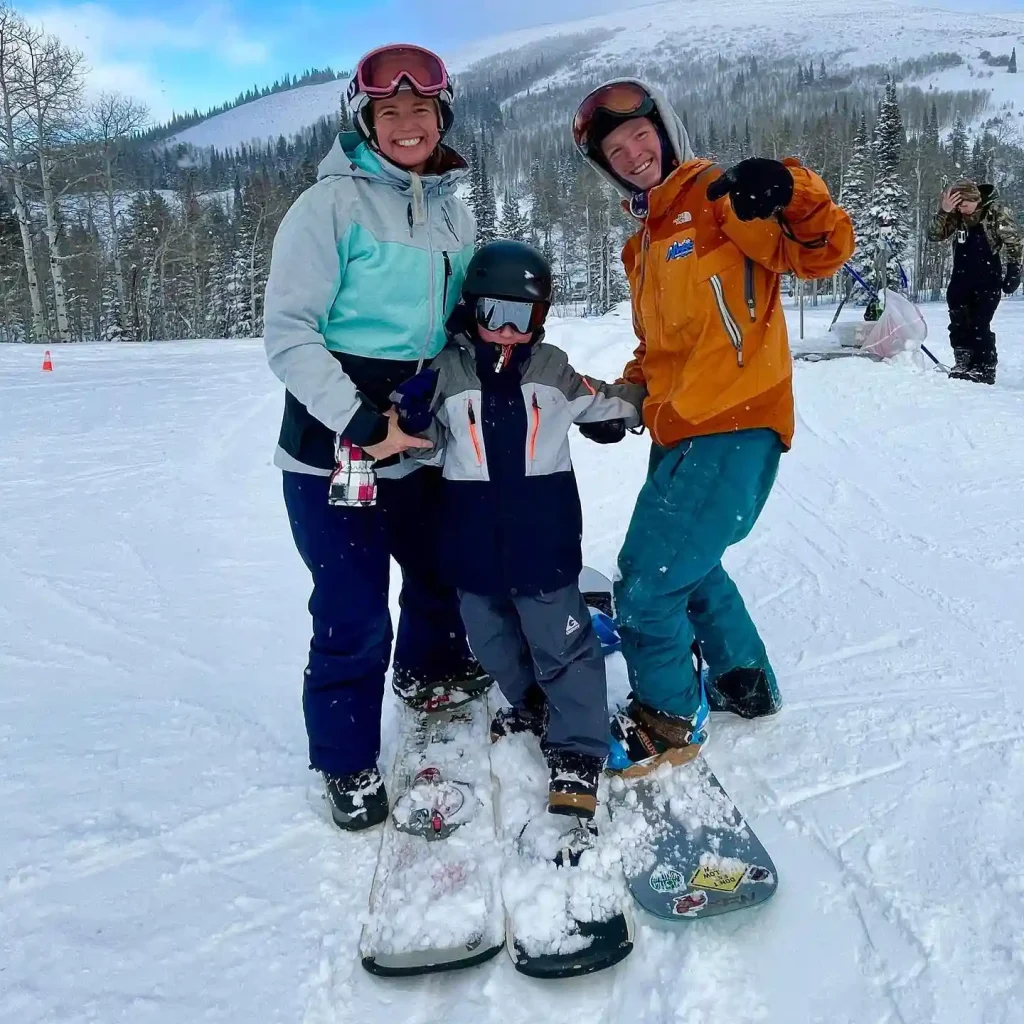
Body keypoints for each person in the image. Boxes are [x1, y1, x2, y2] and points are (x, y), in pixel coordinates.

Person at [571, 79, 854, 775]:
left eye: (640, 136)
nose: (633, 152)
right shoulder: (642, 247)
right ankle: (742, 682)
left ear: (664, 131)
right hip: (679, 433)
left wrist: (787, 187)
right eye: (616, 148)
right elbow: (658, 353)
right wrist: (626, 400)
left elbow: (821, 249)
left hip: (735, 423)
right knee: (690, 567)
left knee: (647, 581)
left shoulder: (722, 198)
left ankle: (669, 723)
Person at [263, 44, 488, 832]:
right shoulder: (327, 207)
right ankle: (345, 758)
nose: (406, 125)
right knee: (354, 610)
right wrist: (364, 424)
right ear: (364, 121)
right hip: (335, 451)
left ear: (441, 116)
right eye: (388, 112)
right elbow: (289, 336)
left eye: (420, 111)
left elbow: (453, 325)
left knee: (438, 575)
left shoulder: (452, 213)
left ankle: (427, 675)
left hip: (418, 438)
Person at [392, 240, 645, 818]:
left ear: (540, 317)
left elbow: (598, 402)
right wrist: (412, 419)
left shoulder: (551, 367)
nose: (506, 332)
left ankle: (578, 745)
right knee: (489, 637)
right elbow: (430, 450)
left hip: (543, 535)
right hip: (471, 537)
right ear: (472, 311)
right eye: (493, 315)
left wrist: (644, 403)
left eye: (521, 318)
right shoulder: (447, 373)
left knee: (560, 639)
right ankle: (531, 700)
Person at [929, 179, 1021, 384]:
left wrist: (1014, 270)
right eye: (958, 206)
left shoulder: (996, 212)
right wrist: (944, 212)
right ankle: (963, 361)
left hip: (988, 275)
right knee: (958, 319)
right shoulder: (957, 216)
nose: (962, 210)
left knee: (980, 323)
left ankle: (984, 366)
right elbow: (934, 235)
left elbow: (1014, 241)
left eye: (965, 205)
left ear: (975, 199)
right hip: (961, 274)